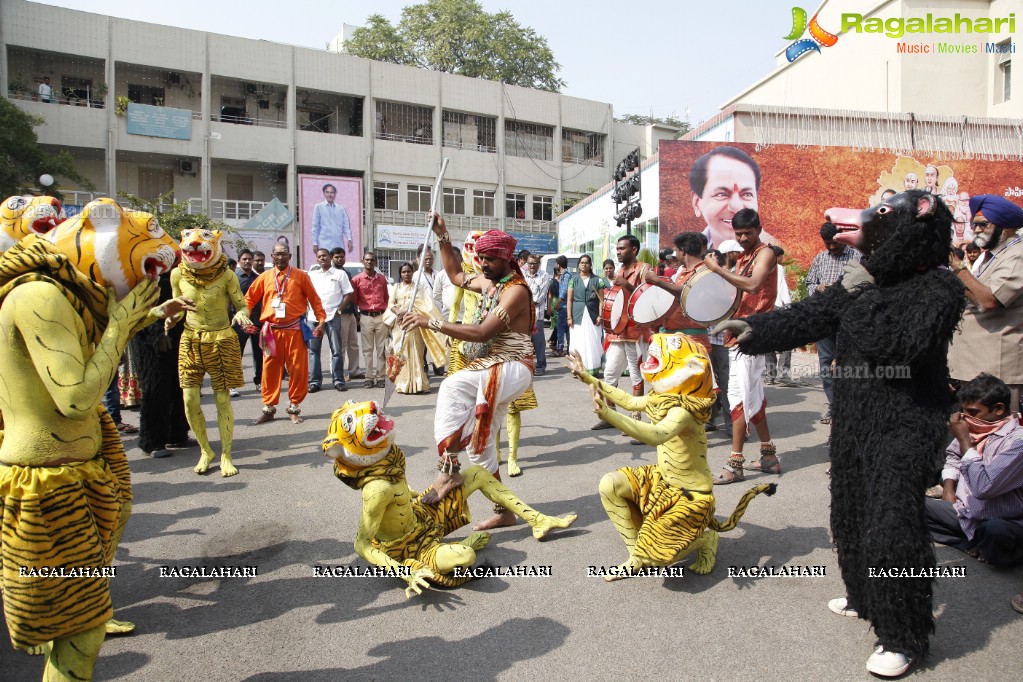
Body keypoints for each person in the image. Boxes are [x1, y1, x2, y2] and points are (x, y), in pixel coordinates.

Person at [400, 217, 536, 531]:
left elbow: (480, 332)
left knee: (450, 387)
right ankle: (504, 510)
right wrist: (442, 235)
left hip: (514, 367)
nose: (483, 264)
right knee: (481, 445)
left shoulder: (515, 291)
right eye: (482, 258)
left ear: (505, 259)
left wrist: (428, 322)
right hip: (492, 366)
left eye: (490, 259)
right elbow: (455, 274)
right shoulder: (490, 282)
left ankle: (448, 469)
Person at [702, 208, 779, 482]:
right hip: (741, 334)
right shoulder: (744, 256)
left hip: (752, 335)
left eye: (748, 232)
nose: (744, 238)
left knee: (738, 397)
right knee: (753, 397)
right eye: (739, 233)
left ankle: (735, 464)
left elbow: (754, 285)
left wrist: (717, 270)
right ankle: (769, 457)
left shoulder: (766, 253)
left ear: (759, 229)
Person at [925, 373, 1023, 567]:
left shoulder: (1017, 442)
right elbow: (953, 456)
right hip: (967, 512)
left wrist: (964, 442)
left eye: (973, 412)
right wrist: (949, 488)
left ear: (998, 410)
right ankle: (973, 542)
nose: (966, 419)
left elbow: (984, 487)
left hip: (1005, 519)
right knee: (910, 508)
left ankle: (985, 545)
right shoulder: (975, 428)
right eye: (964, 412)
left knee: (996, 532)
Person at [948, 195, 1023, 410]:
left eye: (983, 225)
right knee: (971, 437)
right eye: (975, 225)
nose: (977, 230)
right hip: (974, 365)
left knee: (996, 438)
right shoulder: (991, 256)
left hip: (997, 370)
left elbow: (988, 301)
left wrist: (956, 265)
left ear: (1006, 228)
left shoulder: (1018, 255)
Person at [245, 242, 326, 425]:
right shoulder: (265, 277)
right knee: (270, 371)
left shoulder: (300, 276)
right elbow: (248, 299)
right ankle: (269, 408)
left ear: (290, 256)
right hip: (271, 332)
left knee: (298, 370)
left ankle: (294, 407)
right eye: (277, 254)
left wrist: (321, 323)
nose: (280, 257)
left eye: (284, 254)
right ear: (272, 256)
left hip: (295, 330)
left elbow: (315, 301)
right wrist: (245, 318)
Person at [805, 222, 862, 423]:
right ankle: (835, 407)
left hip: (850, 322)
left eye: (834, 243)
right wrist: (818, 288)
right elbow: (809, 283)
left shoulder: (857, 257)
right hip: (825, 321)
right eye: (827, 244)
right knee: (826, 365)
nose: (831, 247)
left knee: (849, 365)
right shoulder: (820, 259)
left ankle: (851, 407)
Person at [592, 235, 649, 431]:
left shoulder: (644, 269)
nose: (618, 251)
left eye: (622, 248)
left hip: (635, 331)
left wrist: (626, 284)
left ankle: (636, 420)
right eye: (617, 248)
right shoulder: (620, 270)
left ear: (634, 250)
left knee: (636, 375)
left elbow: (647, 299)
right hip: (617, 332)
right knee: (609, 374)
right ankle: (612, 416)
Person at [688, 145, 773, 248]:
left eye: (747, 194)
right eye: (721, 194)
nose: (737, 207)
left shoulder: (774, 252)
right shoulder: (688, 253)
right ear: (696, 203)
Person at [385, 262, 445, 394]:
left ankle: (418, 384)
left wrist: (415, 312)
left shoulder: (419, 288)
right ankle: (403, 383)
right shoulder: (396, 287)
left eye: (409, 271)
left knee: (417, 353)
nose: (406, 274)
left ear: (413, 273)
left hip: (414, 324)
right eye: (404, 272)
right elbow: (391, 304)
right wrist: (399, 312)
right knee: (401, 352)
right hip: (400, 325)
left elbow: (426, 305)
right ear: (400, 274)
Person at [307, 247, 353, 393]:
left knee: (337, 351)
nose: (322, 258)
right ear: (317, 259)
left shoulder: (339, 274)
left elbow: (348, 293)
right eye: (319, 256)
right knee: (313, 351)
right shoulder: (312, 275)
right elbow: (305, 294)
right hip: (313, 318)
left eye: (324, 256)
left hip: (333, 316)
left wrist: (339, 310)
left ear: (330, 257)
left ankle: (338, 380)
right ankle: (315, 382)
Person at [349, 251, 390, 388]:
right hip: (366, 317)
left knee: (381, 349)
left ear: (376, 262)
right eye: (367, 260)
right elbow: (354, 299)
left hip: (380, 316)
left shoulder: (382, 279)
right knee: (367, 349)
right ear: (363, 261)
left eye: (372, 260)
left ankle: (380, 377)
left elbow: (386, 297)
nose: (369, 262)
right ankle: (368, 377)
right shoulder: (357, 280)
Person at [331, 248, 363, 381]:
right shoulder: (331, 274)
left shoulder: (346, 273)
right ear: (331, 258)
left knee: (354, 344)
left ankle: (354, 370)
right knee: (340, 346)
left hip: (351, 314)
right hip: (340, 314)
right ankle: (338, 373)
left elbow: (351, 295)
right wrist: (338, 311)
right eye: (337, 257)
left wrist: (356, 313)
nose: (340, 259)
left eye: (342, 257)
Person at [234, 249, 263, 388]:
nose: (247, 261)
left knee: (259, 354)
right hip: (239, 322)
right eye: (244, 259)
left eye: (249, 259)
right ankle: (233, 384)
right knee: (236, 353)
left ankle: (259, 382)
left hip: (257, 321)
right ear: (239, 260)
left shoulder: (258, 278)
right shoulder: (233, 278)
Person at [524, 253, 550, 376]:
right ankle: (525, 366)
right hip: (523, 314)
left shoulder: (545, 276)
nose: (532, 266)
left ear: (539, 264)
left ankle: (540, 366)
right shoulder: (522, 276)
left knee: (539, 342)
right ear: (527, 264)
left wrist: (524, 301)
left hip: (537, 315)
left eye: (534, 263)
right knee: (524, 342)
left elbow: (540, 297)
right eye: (530, 263)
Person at [311, 183, 353, 254]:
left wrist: (349, 239)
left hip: (338, 243)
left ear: (334, 194)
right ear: (324, 193)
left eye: (332, 192)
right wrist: (314, 243)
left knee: (338, 263)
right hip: (324, 243)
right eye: (327, 192)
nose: (329, 194)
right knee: (325, 263)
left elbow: (346, 226)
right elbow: (315, 226)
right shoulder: (318, 207)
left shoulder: (340, 209)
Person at [553, 255, 572, 355]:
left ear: (558, 264)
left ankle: (560, 349)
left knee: (561, 327)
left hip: (564, 305)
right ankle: (568, 348)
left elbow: (564, 290)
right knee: (566, 328)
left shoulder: (565, 275)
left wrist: (558, 303)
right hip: (566, 305)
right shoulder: (567, 274)